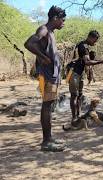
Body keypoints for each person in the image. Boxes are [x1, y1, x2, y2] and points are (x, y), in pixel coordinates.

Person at [24, 6, 66, 152]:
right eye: (62, 19)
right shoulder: (44, 29)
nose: (63, 22)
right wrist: (42, 57)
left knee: (49, 105)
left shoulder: (51, 33)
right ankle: (46, 141)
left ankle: (49, 137)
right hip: (47, 76)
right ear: (55, 18)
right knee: (47, 106)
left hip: (52, 75)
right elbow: (28, 43)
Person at [68, 30, 103, 123]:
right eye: (95, 40)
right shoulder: (83, 46)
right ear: (91, 37)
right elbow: (87, 62)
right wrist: (102, 61)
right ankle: (74, 118)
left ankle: (77, 116)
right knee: (74, 96)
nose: (95, 42)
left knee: (79, 95)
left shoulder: (85, 46)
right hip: (74, 72)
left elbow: (87, 61)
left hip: (79, 72)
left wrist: (100, 61)